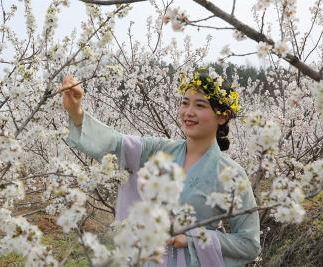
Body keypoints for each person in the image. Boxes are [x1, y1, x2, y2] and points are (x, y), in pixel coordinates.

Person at [61, 68, 261, 267]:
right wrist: (76, 111)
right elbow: (116, 145)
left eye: (200, 105)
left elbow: (249, 244)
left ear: (222, 116)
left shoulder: (231, 174)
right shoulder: (160, 150)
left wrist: (193, 238)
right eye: (184, 103)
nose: (188, 112)